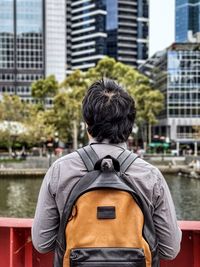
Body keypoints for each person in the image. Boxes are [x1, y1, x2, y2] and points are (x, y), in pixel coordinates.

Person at [32, 79, 182, 262]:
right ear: (130, 126)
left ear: (87, 124)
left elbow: (42, 243)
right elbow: (170, 249)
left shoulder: (60, 170)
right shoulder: (150, 176)